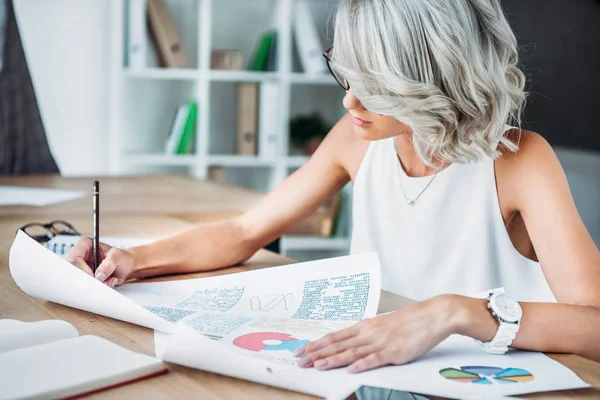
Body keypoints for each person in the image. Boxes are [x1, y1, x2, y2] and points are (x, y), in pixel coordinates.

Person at [69, 0, 600, 375]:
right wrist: (136, 260)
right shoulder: (356, 139)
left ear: (431, 78)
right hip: (378, 372)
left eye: (372, 88)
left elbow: (594, 327)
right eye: (346, 75)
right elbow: (243, 230)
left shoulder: (520, 161)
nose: (349, 102)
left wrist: (453, 311)